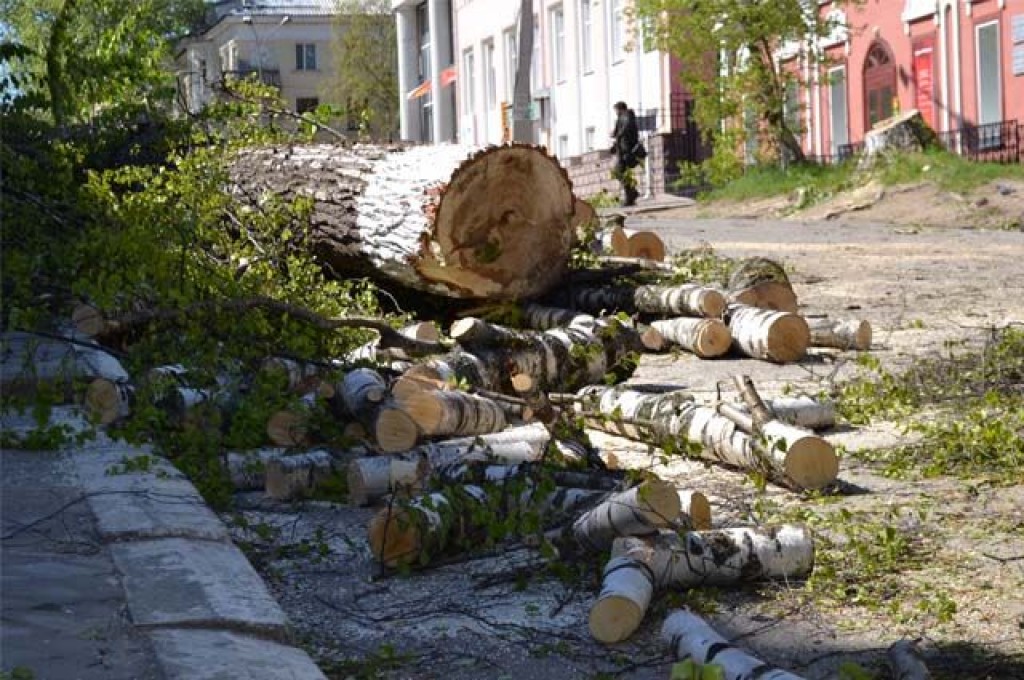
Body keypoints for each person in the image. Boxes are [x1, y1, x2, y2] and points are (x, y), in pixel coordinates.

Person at [610, 101, 641, 207]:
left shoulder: (627, 115)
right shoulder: (621, 117)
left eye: (616, 110)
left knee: (619, 172)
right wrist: (614, 134)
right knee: (619, 172)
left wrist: (618, 134)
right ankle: (631, 194)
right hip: (622, 149)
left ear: (621, 109)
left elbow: (626, 127)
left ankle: (631, 195)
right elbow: (618, 130)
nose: (616, 112)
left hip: (627, 150)